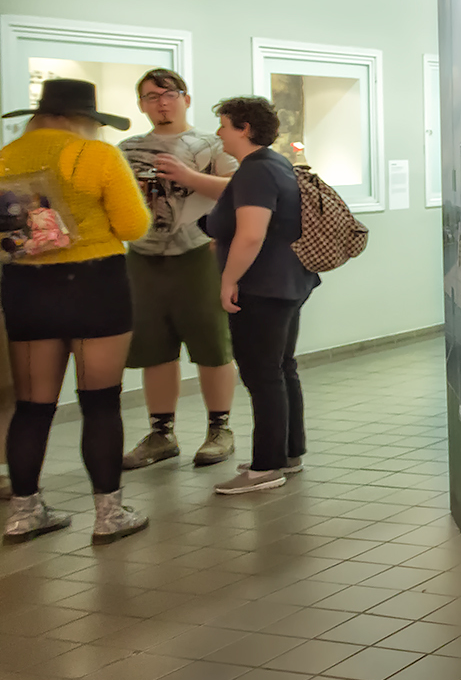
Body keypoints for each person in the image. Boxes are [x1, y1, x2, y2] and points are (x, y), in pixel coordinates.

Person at [0, 79, 151, 543]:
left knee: (32, 406)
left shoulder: (5, 158)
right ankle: (109, 515)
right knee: (100, 402)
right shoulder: (96, 155)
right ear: (80, 118)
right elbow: (133, 225)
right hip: (94, 285)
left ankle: (25, 513)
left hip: (27, 287)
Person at [119, 68, 238, 470]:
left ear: (186, 99)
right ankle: (161, 433)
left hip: (199, 253)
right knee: (153, 347)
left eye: (169, 94)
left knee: (212, 344)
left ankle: (220, 429)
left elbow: (238, 187)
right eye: (151, 97)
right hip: (143, 256)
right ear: (141, 105)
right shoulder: (127, 149)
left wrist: (188, 177)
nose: (161, 103)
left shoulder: (211, 144)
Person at [203, 96, 319, 496]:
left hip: (262, 287)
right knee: (282, 367)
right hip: (288, 282)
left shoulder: (255, 171)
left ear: (244, 129)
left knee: (262, 373)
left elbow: (251, 234)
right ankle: (287, 452)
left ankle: (266, 467)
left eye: (224, 125)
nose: (219, 133)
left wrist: (228, 279)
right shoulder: (277, 163)